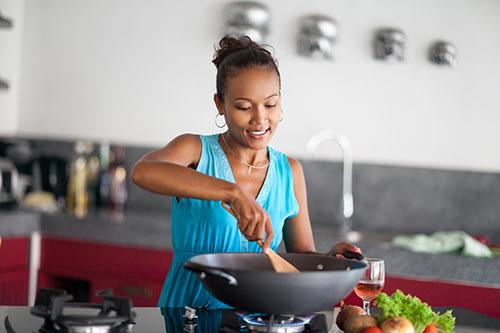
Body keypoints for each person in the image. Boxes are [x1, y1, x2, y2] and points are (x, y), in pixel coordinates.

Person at [132, 36, 362, 309]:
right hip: (189, 314)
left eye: (270, 104)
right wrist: (232, 192)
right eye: (244, 107)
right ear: (220, 104)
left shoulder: (290, 171)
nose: (260, 118)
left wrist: (329, 259)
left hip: (258, 318)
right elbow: (143, 171)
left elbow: (299, 257)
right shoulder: (195, 151)